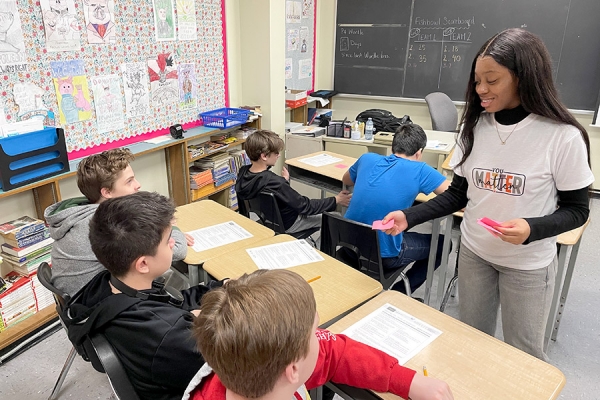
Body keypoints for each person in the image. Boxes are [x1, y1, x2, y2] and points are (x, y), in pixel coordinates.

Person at [381, 28, 594, 361]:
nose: (480, 89)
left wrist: (531, 229)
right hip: (475, 254)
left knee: (523, 357)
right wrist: (409, 216)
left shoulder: (563, 137)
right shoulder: (475, 127)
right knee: (473, 344)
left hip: (527, 265)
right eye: (477, 80)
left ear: (523, 78)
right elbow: (457, 196)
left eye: (492, 81)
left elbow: (577, 211)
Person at [183, 269, 453, 400]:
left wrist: (404, 380)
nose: (321, 332)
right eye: (314, 331)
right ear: (293, 371)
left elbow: (334, 351)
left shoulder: (244, 364)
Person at [66, 191, 224, 400]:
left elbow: (173, 302)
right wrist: (203, 320)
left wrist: (222, 287)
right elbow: (227, 366)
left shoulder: (105, 285)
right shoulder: (170, 335)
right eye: (169, 240)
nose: (173, 244)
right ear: (143, 264)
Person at [44, 148, 192, 297]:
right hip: (98, 306)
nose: (138, 185)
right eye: (129, 181)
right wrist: (171, 230)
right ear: (107, 192)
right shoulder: (108, 223)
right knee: (171, 276)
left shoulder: (80, 212)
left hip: (81, 300)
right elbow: (178, 250)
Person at [341, 123, 449, 294]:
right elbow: (453, 196)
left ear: (393, 146)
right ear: (419, 152)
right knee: (443, 244)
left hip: (347, 245)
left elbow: (346, 179)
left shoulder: (367, 159)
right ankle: (399, 294)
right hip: (383, 255)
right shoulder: (421, 170)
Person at [235, 130, 351, 244]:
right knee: (334, 218)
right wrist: (336, 200)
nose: (279, 155)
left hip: (267, 220)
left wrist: (283, 181)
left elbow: (265, 184)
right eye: (276, 153)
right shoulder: (276, 183)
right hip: (289, 224)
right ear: (264, 156)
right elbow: (306, 207)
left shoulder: (243, 173)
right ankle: (319, 254)